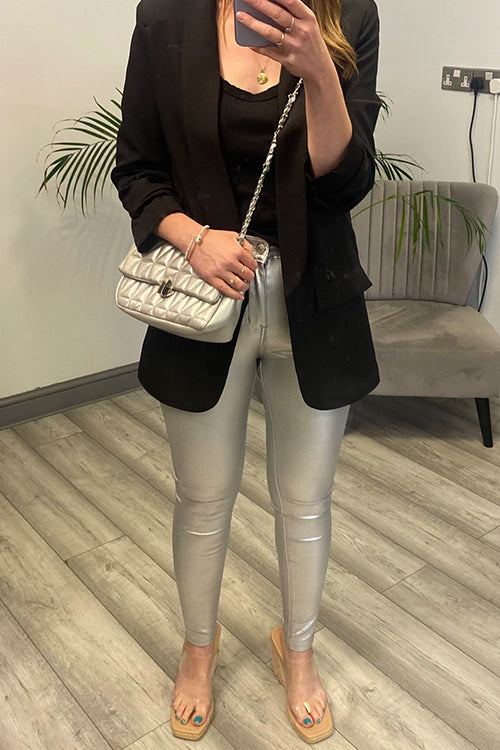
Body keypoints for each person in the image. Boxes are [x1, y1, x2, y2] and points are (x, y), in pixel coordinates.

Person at [112, 0, 381, 742]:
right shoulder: (165, 18)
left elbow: (345, 184)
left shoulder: (348, 16)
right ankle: (199, 651)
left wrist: (319, 71)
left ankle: (299, 653)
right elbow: (137, 169)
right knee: (202, 498)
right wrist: (194, 238)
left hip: (313, 300)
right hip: (204, 298)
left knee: (306, 501)